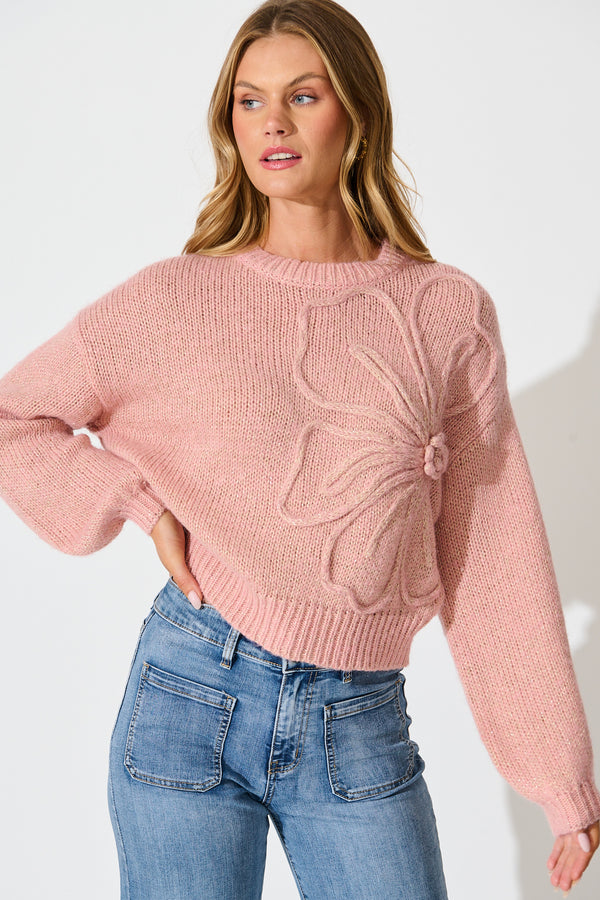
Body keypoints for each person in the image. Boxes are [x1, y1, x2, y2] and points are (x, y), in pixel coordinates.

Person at [0, 0, 598, 896]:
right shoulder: (172, 300)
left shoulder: (446, 313)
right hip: (190, 692)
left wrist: (558, 777)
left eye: (303, 95)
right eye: (249, 101)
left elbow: (492, 552)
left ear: (357, 111)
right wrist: (136, 503)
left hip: (360, 721)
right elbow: (15, 418)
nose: (271, 122)